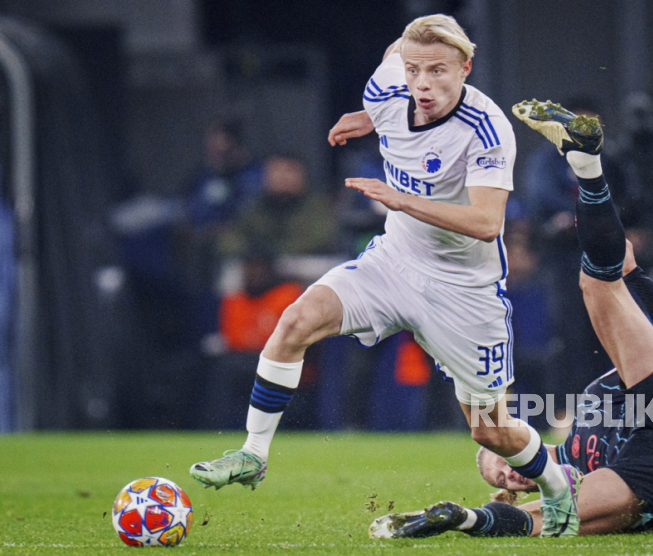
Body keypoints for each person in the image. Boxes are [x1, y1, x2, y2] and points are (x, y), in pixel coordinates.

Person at [190, 15, 582, 536]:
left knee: (492, 433)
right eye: (415, 70)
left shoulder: (486, 128)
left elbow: (488, 223)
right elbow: (400, 56)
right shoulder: (387, 86)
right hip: (394, 262)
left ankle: (558, 489)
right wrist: (370, 116)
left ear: (466, 68)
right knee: (296, 321)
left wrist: (403, 200)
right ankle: (253, 453)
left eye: (439, 71)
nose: (423, 84)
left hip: (463, 290)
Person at [369, 100, 653, 538]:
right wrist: (468, 516)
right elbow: (534, 515)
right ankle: (461, 518)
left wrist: (634, 278)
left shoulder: (586, 420)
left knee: (597, 285)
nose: (509, 474)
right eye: (503, 479)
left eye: (502, 464)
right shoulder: (575, 472)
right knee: (557, 519)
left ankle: (587, 165)